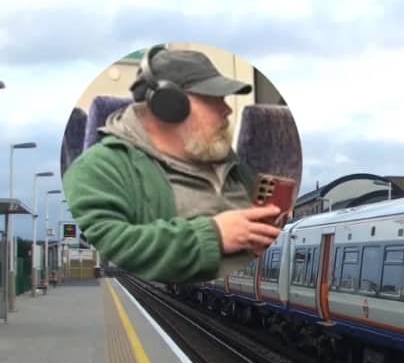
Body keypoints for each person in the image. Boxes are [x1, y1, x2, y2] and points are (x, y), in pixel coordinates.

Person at [62, 45, 284, 284]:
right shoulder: (99, 169)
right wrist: (213, 236)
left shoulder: (227, 161)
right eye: (214, 99)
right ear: (170, 106)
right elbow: (103, 247)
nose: (227, 109)